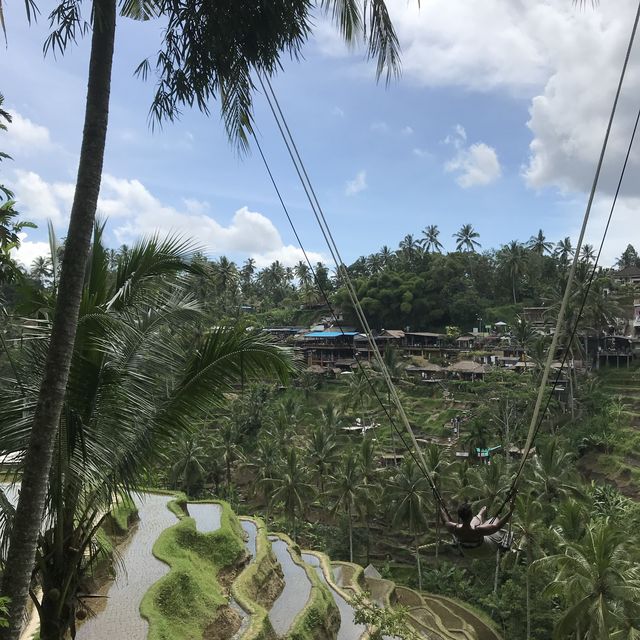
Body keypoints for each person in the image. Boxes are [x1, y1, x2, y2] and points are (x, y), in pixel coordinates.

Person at [440, 496, 516, 549]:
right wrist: (510, 512)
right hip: (482, 547)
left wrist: (440, 507)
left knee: (477, 518)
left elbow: (445, 521)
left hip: (464, 547)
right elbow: (497, 526)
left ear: (460, 517)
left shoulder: (454, 528)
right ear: (470, 516)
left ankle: (481, 513)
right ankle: (481, 514)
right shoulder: (478, 530)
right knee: (494, 519)